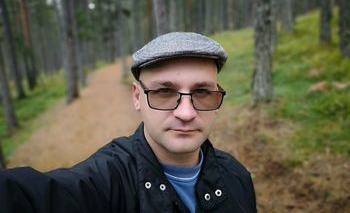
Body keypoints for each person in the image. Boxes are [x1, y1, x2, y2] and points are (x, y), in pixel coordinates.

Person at [0, 32, 256, 213]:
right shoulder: (105, 182)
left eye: (202, 92)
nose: (186, 113)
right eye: (164, 92)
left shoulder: (237, 176)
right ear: (137, 97)